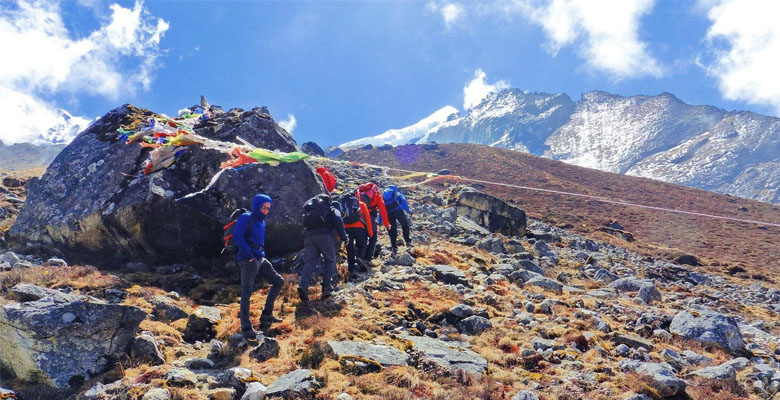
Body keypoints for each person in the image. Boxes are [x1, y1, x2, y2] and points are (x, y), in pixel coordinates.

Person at [233, 194, 284, 339]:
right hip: (249, 259)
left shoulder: (262, 221)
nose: (266, 210)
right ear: (257, 205)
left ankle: (267, 315)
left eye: (268, 208)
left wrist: (259, 255)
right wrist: (249, 255)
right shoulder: (246, 217)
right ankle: (246, 327)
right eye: (264, 207)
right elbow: (238, 237)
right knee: (247, 292)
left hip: (260, 258)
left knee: (278, 281)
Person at [298, 194, 348, 303]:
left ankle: (303, 286)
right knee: (330, 260)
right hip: (324, 236)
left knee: (309, 263)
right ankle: (326, 288)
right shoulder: (331, 208)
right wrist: (344, 237)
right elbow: (338, 221)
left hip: (309, 237)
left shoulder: (311, 210)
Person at [339, 191, 373, 280]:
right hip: (359, 228)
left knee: (349, 249)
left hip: (346, 228)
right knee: (362, 245)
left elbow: (339, 220)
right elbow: (368, 219)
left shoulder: (343, 205)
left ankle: (352, 270)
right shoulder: (361, 204)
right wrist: (370, 233)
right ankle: (360, 258)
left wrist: (340, 236)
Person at [358, 182, 390, 261]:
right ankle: (368, 259)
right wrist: (386, 223)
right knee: (373, 237)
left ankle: (360, 258)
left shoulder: (359, 192)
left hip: (360, 217)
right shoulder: (377, 194)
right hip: (370, 217)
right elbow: (382, 209)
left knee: (363, 238)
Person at [381, 185, 412, 257]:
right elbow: (403, 200)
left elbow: (381, 207)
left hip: (388, 213)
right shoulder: (396, 193)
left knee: (392, 230)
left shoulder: (384, 196)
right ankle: (408, 242)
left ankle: (394, 248)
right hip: (398, 211)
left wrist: (380, 219)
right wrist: (408, 210)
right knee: (404, 225)